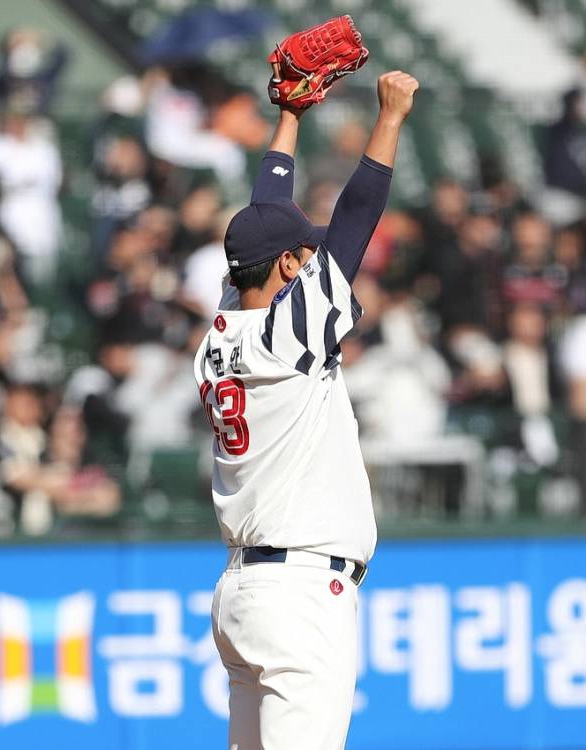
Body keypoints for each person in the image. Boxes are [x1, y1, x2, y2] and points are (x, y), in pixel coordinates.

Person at [194, 70, 418, 749]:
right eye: (303, 254)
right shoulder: (290, 337)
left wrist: (289, 117)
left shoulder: (223, 333)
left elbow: (264, 216)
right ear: (289, 267)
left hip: (244, 593)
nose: (313, 258)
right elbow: (355, 221)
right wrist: (390, 118)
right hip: (298, 594)